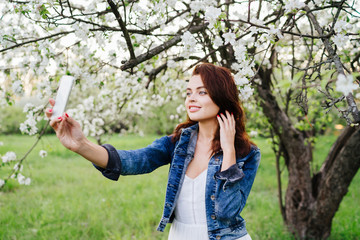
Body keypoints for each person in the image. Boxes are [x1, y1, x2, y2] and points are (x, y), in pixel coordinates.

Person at [46, 63, 260, 240]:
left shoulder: (247, 153)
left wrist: (229, 150)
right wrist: (81, 144)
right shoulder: (178, 143)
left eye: (202, 92)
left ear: (222, 96)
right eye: (188, 92)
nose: (191, 98)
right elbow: (135, 161)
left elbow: (226, 212)